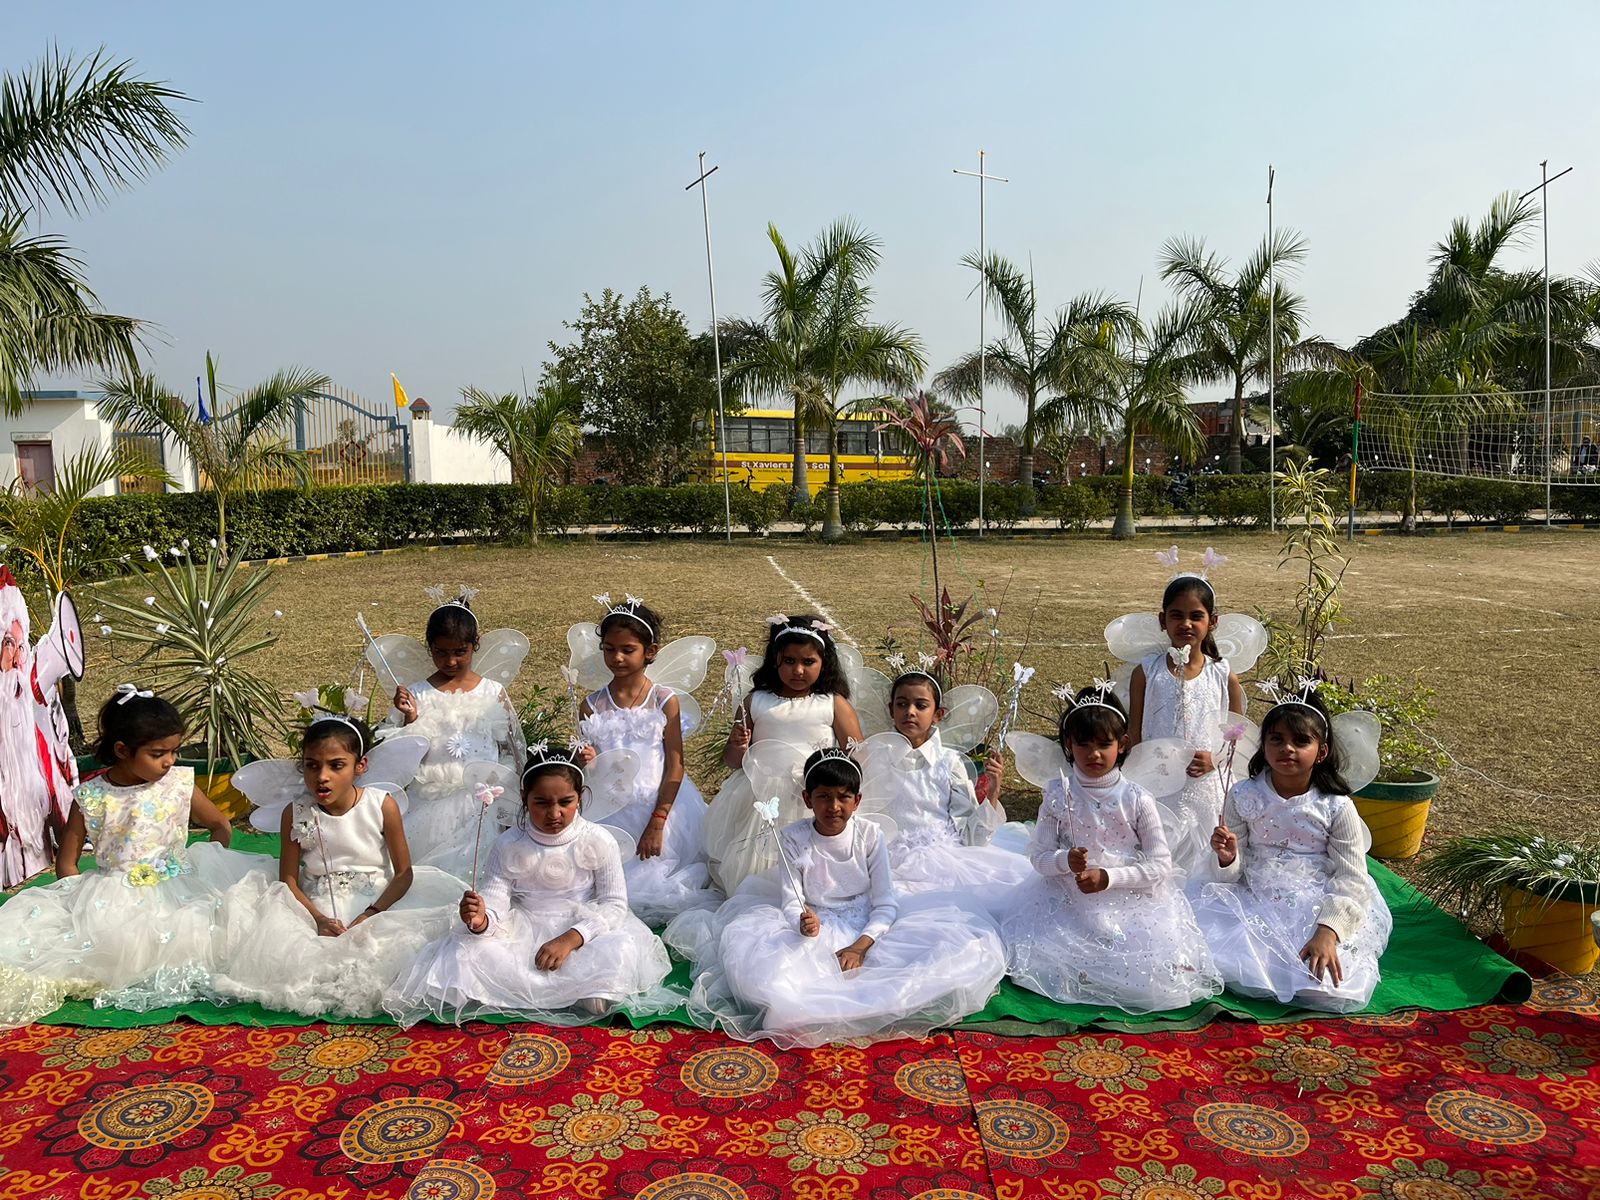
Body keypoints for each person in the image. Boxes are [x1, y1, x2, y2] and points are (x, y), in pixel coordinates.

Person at [666, 747, 1006, 1047]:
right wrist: (802, 923)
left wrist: (860, 946)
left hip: (868, 920)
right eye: (824, 796)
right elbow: (792, 899)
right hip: (818, 919)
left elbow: (885, 903)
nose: (833, 806)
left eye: (844, 797)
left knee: (939, 956)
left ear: (857, 801)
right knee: (778, 981)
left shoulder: (870, 835)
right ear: (807, 799)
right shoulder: (792, 838)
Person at [0, 688, 258, 1028]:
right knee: (105, 950)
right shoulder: (92, 796)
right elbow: (67, 861)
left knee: (213, 932)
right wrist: (79, 907)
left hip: (179, 887)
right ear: (122, 750)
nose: (170, 761)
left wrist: (211, 862)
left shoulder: (178, 783)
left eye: (175, 751)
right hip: (112, 898)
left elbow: (219, 824)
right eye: (158, 753)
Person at [386, 744, 673, 1025]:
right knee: (465, 954)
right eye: (542, 803)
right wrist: (482, 919)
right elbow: (496, 899)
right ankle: (567, 990)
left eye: (565, 802)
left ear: (581, 796)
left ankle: (586, 988)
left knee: (619, 950)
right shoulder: (509, 844)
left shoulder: (598, 840)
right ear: (524, 797)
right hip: (523, 927)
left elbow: (614, 904)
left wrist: (572, 938)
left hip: (582, 929)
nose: (554, 813)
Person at [211, 715, 462, 1018]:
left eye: (336, 765)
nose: (322, 776)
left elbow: (403, 874)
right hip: (317, 904)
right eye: (312, 765)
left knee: (398, 953)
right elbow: (289, 880)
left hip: (381, 900)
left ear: (360, 766)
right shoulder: (295, 813)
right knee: (305, 965)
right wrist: (318, 919)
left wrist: (371, 914)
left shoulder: (382, 805)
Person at [1001, 685, 1221, 1014]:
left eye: (1104, 744)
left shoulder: (1137, 798)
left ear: (1122, 744)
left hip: (1129, 897)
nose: (1094, 754)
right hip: (1068, 894)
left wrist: (1108, 877)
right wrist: (1065, 860)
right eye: (1083, 744)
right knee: (1050, 956)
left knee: (1150, 972)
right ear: (1068, 744)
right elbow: (1039, 857)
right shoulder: (1058, 793)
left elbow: (1160, 865)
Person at [1189, 684, 1392, 1012]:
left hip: (1315, 895)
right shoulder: (1242, 794)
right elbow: (1233, 871)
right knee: (1222, 957)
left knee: (1327, 983)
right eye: (1277, 739)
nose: (1287, 748)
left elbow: (1351, 877)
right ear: (1264, 746)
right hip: (1254, 890)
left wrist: (1329, 931)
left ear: (1321, 752)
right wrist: (1228, 858)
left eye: (1301, 741)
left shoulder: (1336, 806)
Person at [577, 596, 719, 924]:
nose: (617, 657)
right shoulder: (591, 705)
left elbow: (676, 764)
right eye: (609, 649)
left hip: (661, 807)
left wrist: (658, 821)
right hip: (611, 810)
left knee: (660, 880)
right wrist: (588, 760)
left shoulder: (663, 700)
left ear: (650, 651)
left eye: (628, 649)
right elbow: (591, 767)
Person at [700, 613, 863, 894]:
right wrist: (738, 746)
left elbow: (857, 754)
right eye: (789, 661)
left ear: (824, 663)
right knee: (760, 860)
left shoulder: (832, 703)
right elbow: (733, 761)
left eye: (808, 662)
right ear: (774, 660)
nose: (798, 670)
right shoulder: (755, 701)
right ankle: (760, 893)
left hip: (812, 794)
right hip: (761, 796)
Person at [390, 594, 526, 877]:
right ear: (429, 647)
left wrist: (514, 793)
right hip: (429, 803)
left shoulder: (492, 692)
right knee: (429, 873)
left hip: (482, 803)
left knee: (479, 871)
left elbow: (511, 748)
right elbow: (399, 756)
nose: (450, 661)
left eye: (460, 651)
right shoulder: (417, 694)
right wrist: (410, 719)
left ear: (476, 644)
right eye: (440, 652)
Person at [870, 671, 1030, 900]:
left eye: (921, 705)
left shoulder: (948, 763)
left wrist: (993, 793)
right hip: (885, 860)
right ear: (891, 709)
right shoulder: (874, 757)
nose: (910, 712)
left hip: (940, 863)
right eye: (902, 704)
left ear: (938, 714)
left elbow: (970, 837)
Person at [1125, 574, 1247, 875]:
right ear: (1162, 620)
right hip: (1157, 783)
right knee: (1156, 852)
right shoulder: (1146, 673)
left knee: (1204, 857)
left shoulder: (1223, 675)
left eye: (1196, 616)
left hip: (1207, 787)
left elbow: (1238, 738)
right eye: (1176, 615)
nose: (1186, 624)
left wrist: (1215, 760)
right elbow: (1135, 733)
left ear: (1212, 621)